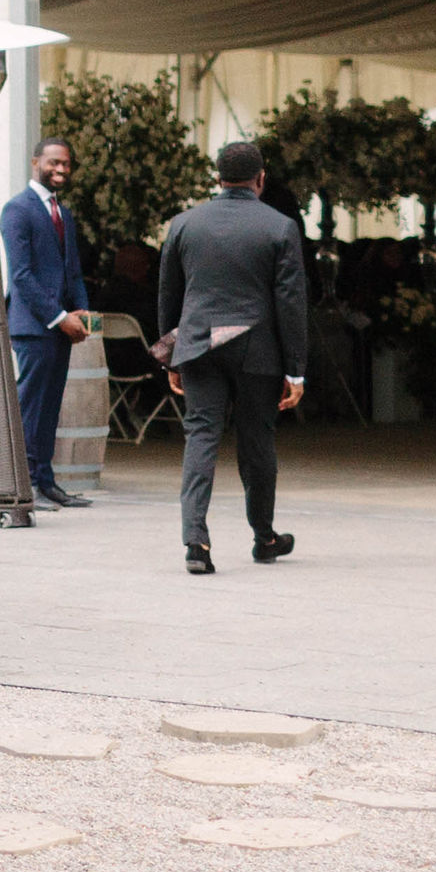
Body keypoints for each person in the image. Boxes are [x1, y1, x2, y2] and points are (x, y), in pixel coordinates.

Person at [156, 139, 310, 575]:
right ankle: (264, 538)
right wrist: (295, 370)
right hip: (256, 350)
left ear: (218, 178)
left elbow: (169, 295)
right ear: (261, 179)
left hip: (199, 345)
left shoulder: (185, 224)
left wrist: (173, 356)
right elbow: (291, 304)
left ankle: (196, 542)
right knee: (257, 441)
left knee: (200, 435)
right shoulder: (280, 227)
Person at [4, 135, 95, 510]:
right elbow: (21, 277)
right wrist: (59, 318)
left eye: (66, 164)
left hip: (60, 328)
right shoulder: (17, 210)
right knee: (31, 407)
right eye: (53, 162)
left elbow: (72, 271)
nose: (60, 169)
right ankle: (25, 486)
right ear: (35, 162)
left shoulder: (64, 214)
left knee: (51, 407)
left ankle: (47, 481)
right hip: (33, 327)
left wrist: (82, 312)